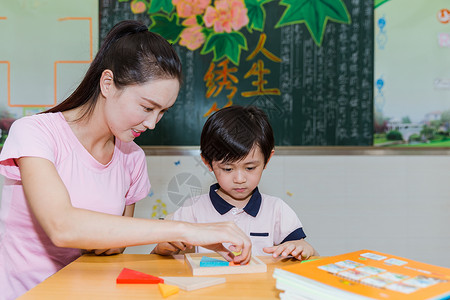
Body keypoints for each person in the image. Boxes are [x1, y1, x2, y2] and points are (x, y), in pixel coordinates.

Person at [0, 20, 251, 300]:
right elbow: (62, 227)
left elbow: (114, 247)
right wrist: (187, 230)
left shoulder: (132, 158)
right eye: (147, 107)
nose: (153, 123)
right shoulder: (35, 133)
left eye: (162, 112)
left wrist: (165, 242)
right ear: (107, 83)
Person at [153, 105, 318, 259]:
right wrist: (163, 248)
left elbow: (310, 256)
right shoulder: (192, 210)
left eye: (250, 168)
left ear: (267, 160)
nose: (240, 179)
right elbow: (155, 259)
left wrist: (303, 248)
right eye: (227, 169)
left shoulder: (277, 210)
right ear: (207, 162)